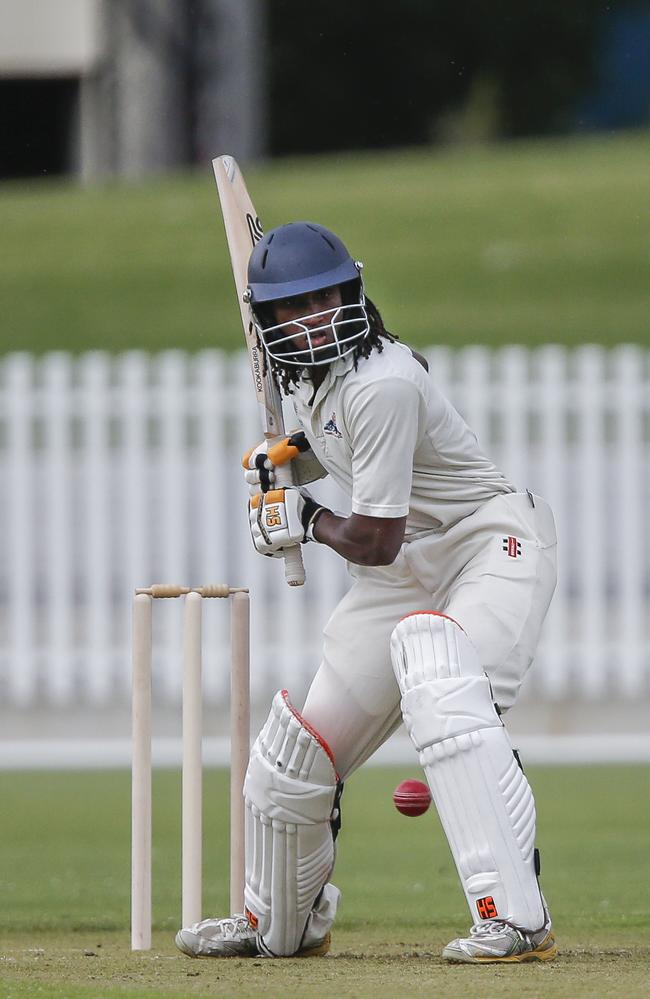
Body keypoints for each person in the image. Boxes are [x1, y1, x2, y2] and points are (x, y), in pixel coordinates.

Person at [175, 221, 558, 964]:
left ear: (351, 292)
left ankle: (515, 917)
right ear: (270, 322)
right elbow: (342, 448)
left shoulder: (383, 379)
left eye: (326, 296)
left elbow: (372, 535)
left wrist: (307, 518)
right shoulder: (319, 385)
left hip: (486, 546)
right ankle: (280, 921)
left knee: (439, 674)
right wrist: (288, 461)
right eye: (294, 306)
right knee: (294, 757)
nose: (315, 315)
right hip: (398, 571)